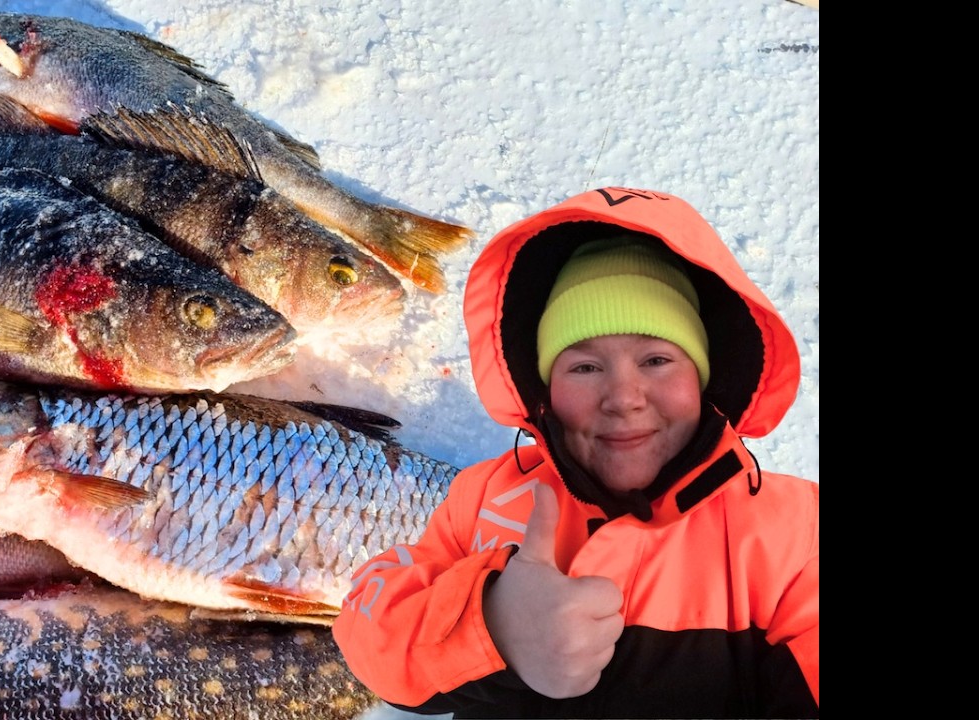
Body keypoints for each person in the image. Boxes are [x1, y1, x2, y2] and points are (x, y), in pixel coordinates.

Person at [332, 187, 818, 718]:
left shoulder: (795, 532)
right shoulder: (483, 498)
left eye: (656, 360)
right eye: (585, 367)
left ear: (702, 377)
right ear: (545, 390)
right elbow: (367, 629)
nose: (624, 398)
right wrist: (488, 627)